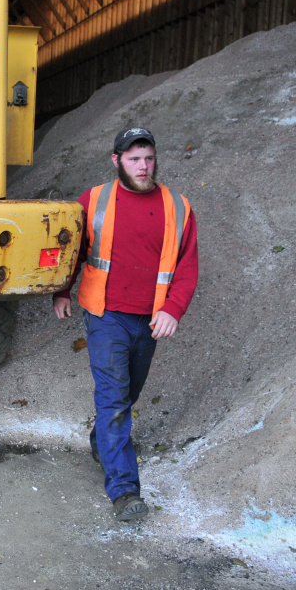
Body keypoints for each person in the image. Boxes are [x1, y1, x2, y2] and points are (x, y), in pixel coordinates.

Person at [53, 128, 198, 521]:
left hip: (150, 320)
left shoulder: (178, 207)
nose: (143, 166)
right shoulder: (95, 199)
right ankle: (124, 490)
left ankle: (102, 441)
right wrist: (62, 291)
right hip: (105, 315)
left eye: (148, 158)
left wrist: (173, 309)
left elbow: (187, 268)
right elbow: (75, 251)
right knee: (115, 399)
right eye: (134, 159)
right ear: (116, 160)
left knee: (127, 394)